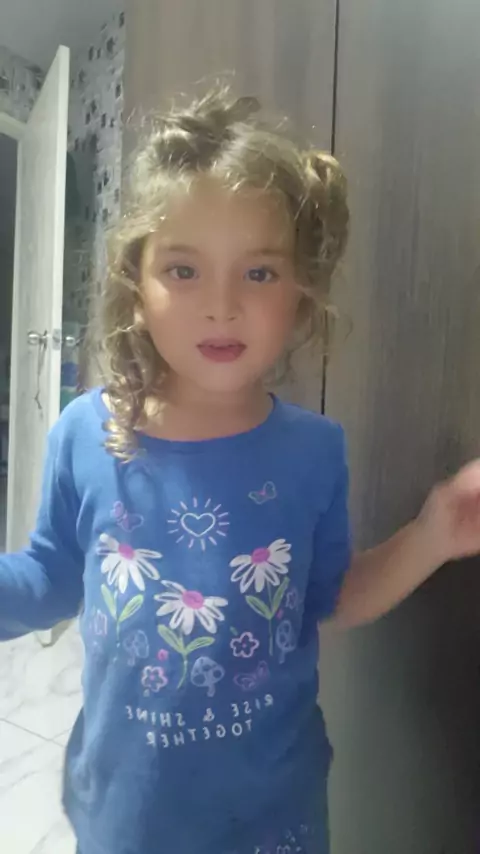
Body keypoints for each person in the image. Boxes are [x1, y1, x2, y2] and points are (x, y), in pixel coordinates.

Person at [1, 90, 480, 854]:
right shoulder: (86, 434)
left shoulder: (314, 452)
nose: (221, 306)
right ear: (136, 284)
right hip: (126, 818)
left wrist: (434, 532)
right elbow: (51, 578)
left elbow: (327, 595)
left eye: (258, 273)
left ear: (300, 293)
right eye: (183, 269)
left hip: (274, 821)